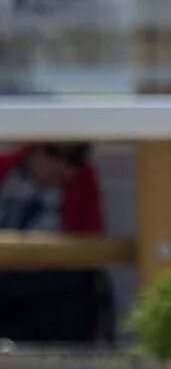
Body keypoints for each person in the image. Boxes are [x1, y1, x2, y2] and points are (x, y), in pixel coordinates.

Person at [0, 143, 107, 343]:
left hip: (55, 284)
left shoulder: (82, 180)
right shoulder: (5, 168)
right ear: (37, 150)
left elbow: (92, 239)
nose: (70, 169)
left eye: (79, 160)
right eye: (65, 158)